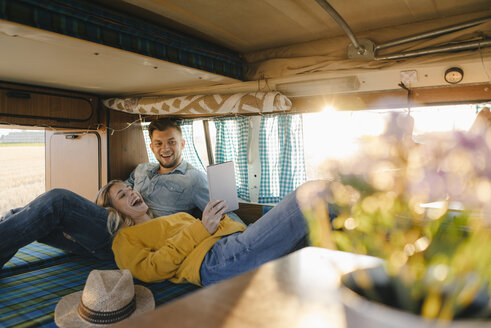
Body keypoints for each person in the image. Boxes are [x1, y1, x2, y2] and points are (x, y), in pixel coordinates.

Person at [96, 179, 326, 286]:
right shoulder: (124, 239)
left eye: (129, 188)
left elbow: (207, 232)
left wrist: (219, 219)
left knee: (321, 231)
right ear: (113, 210)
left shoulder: (174, 217)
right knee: (311, 195)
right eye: (122, 195)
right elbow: (150, 270)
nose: (131, 193)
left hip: (233, 243)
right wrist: (202, 228)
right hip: (214, 261)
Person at [126, 117, 244, 223]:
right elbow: (116, 193)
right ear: (151, 147)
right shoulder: (141, 169)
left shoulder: (194, 178)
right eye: (159, 143)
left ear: (182, 144)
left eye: (171, 142)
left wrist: (242, 233)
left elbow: (224, 213)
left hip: (161, 240)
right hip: (125, 231)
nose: (165, 149)